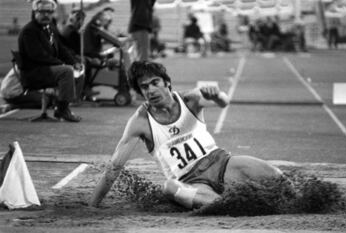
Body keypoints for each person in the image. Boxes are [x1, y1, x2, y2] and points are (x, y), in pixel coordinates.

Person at [89, 61, 284, 209]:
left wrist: (216, 95)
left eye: (155, 82)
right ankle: (234, 207)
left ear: (167, 83)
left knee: (276, 178)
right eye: (144, 87)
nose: (151, 90)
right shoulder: (139, 122)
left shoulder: (190, 99)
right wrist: (93, 205)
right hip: (190, 182)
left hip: (222, 164)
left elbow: (224, 102)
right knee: (170, 187)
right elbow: (115, 167)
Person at [18, 0, 82, 122]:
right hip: (34, 72)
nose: (46, 14)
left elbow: (61, 49)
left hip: (46, 69)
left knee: (77, 68)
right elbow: (38, 56)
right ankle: (61, 110)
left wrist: (74, 62)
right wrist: (61, 64)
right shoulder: (29, 31)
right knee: (66, 71)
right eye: (42, 11)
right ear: (35, 12)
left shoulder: (48, 28)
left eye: (49, 11)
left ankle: (66, 105)